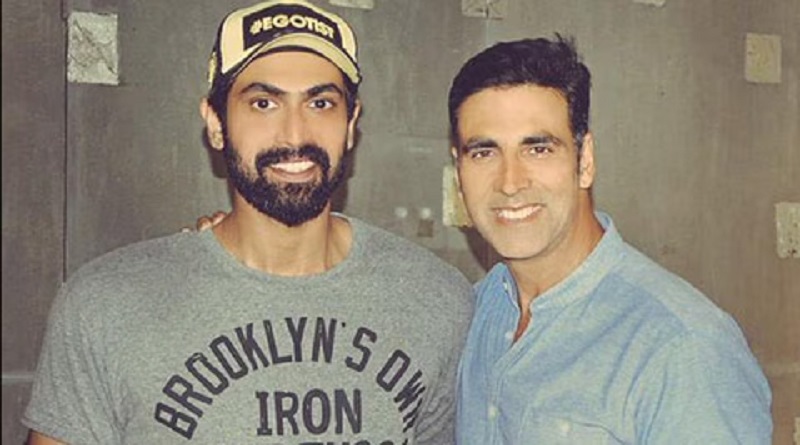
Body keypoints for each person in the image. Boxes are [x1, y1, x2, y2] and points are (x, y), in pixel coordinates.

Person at [22, 1, 473, 443]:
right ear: (216, 123)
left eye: (320, 103)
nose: (295, 134)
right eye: (263, 103)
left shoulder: (436, 299)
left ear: (351, 123)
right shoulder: (105, 305)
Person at [449, 35, 772, 443]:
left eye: (539, 150)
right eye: (484, 153)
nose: (510, 183)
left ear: (585, 161)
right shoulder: (471, 314)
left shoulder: (683, 347)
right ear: (458, 171)